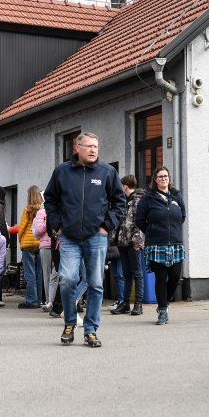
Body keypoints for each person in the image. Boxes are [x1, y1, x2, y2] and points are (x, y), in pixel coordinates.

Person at [44, 132, 126, 348]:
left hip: (96, 237)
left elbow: (119, 202)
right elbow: (50, 200)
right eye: (88, 146)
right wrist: (58, 225)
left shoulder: (107, 172)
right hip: (69, 237)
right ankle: (70, 323)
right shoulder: (62, 172)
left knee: (96, 284)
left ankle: (91, 330)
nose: (92, 150)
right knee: (68, 279)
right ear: (77, 147)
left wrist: (105, 226)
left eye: (96, 147)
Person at [135, 167, 186, 325]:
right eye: (160, 176)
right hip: (157, 244)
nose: (163, 179)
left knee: (175, 277)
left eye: (166, 176)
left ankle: (165, 302)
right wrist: (152, 232)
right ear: (155, 180)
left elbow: (182, 216)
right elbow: (139, 220)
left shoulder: (176, 195)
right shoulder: (148, 198)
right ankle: (162, 311)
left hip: (175, 243)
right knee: (160, 278)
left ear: (169, 179)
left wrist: (173, 230)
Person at [111, 174, 146, 316]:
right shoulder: (126, 200)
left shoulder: (137, 200)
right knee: (126, 274)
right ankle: (125, 303)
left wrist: (136, 241)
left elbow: (140, 222)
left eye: (121, 185)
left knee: (137, 273)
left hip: (132, 242)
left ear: (125, 186)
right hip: (122, 242)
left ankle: (138, 304)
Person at [17, 186, 44, 309]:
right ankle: (38, 300)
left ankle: (31, 300)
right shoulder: (43, 210)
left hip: (28, 245)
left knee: (29, 274)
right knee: (39, 273)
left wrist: (21, 241)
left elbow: (21, 228)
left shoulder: (27, 210)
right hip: (39, 243)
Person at [33, 203, 62, 316]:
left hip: (58, 245)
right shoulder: (42, 212)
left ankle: (55, 300)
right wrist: (48, 221)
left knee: (57, 273)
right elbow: (37, 232)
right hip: (46, 246)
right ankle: (49, 301)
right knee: (47, 275)